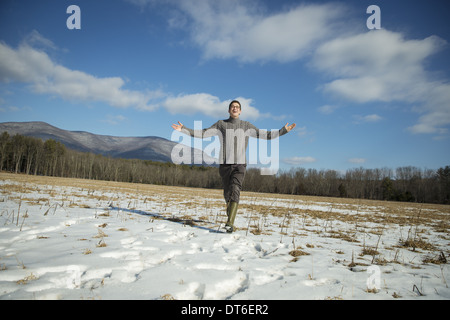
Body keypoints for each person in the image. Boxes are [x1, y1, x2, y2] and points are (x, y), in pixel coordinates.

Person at [172, 100, 296, 233]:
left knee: (235, 188)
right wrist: (184, 129)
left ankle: (230, 223)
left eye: (237, 107)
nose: (235, 108)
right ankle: (230, 215)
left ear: (240, 111)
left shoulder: (246, 125)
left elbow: (265, 135)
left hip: (240, 164)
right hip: (225, 164)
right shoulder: (221, 124)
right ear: (229, 110)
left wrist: (283, 131)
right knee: (227, 193)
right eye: (232, 107)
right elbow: (204, 133)